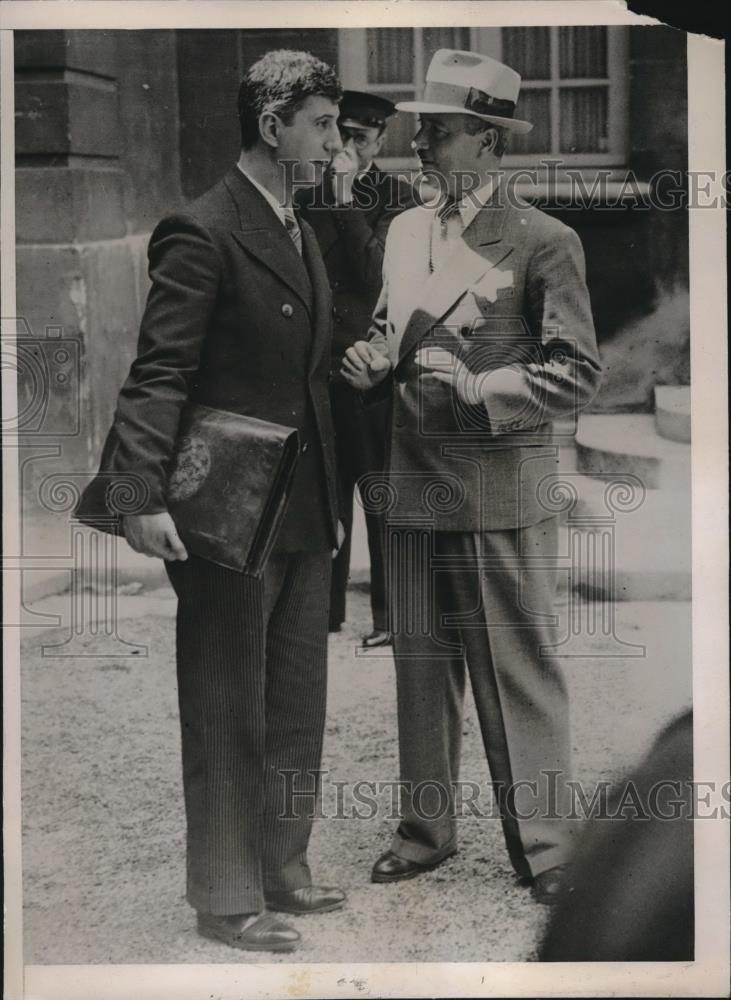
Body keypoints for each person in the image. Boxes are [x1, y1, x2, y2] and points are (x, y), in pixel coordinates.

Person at [77, 49, 346, 952]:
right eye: (323, 125)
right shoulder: (200, 229)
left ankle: (283, 867)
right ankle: (226, 897)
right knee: (228, 699)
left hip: (301, 507)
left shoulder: (297, 225)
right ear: (272, 128)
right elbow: (158, 375)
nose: (336, 144)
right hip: (228, 509)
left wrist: (333, 499)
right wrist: (138, 492)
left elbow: (306, 380)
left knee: (297, 697)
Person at [342, 49, 602, 904]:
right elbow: (392, 328)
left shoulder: (543, 241)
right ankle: (426, 831)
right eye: (419, 131)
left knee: (516, 668)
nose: (418, 146)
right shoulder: (405, 231)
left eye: (439, 133)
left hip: (497, 483)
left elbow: (575, 371)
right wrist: (371, 359)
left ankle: (550, 845)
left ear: (488, 145)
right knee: (421, 665)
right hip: (412, 473)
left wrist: (482, 384)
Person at [296, 91, 415, 647]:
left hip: (370, 365)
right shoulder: (306, 191)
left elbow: (374, 271)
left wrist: (343, 197)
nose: (345, 148)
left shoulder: (399, 195)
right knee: (327, 489)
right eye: (339, 134)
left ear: (380, 140)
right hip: (320, 363)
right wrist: (331, 194)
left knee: (378, 490)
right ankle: (325, 614)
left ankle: (390, 617)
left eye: (360, 139)